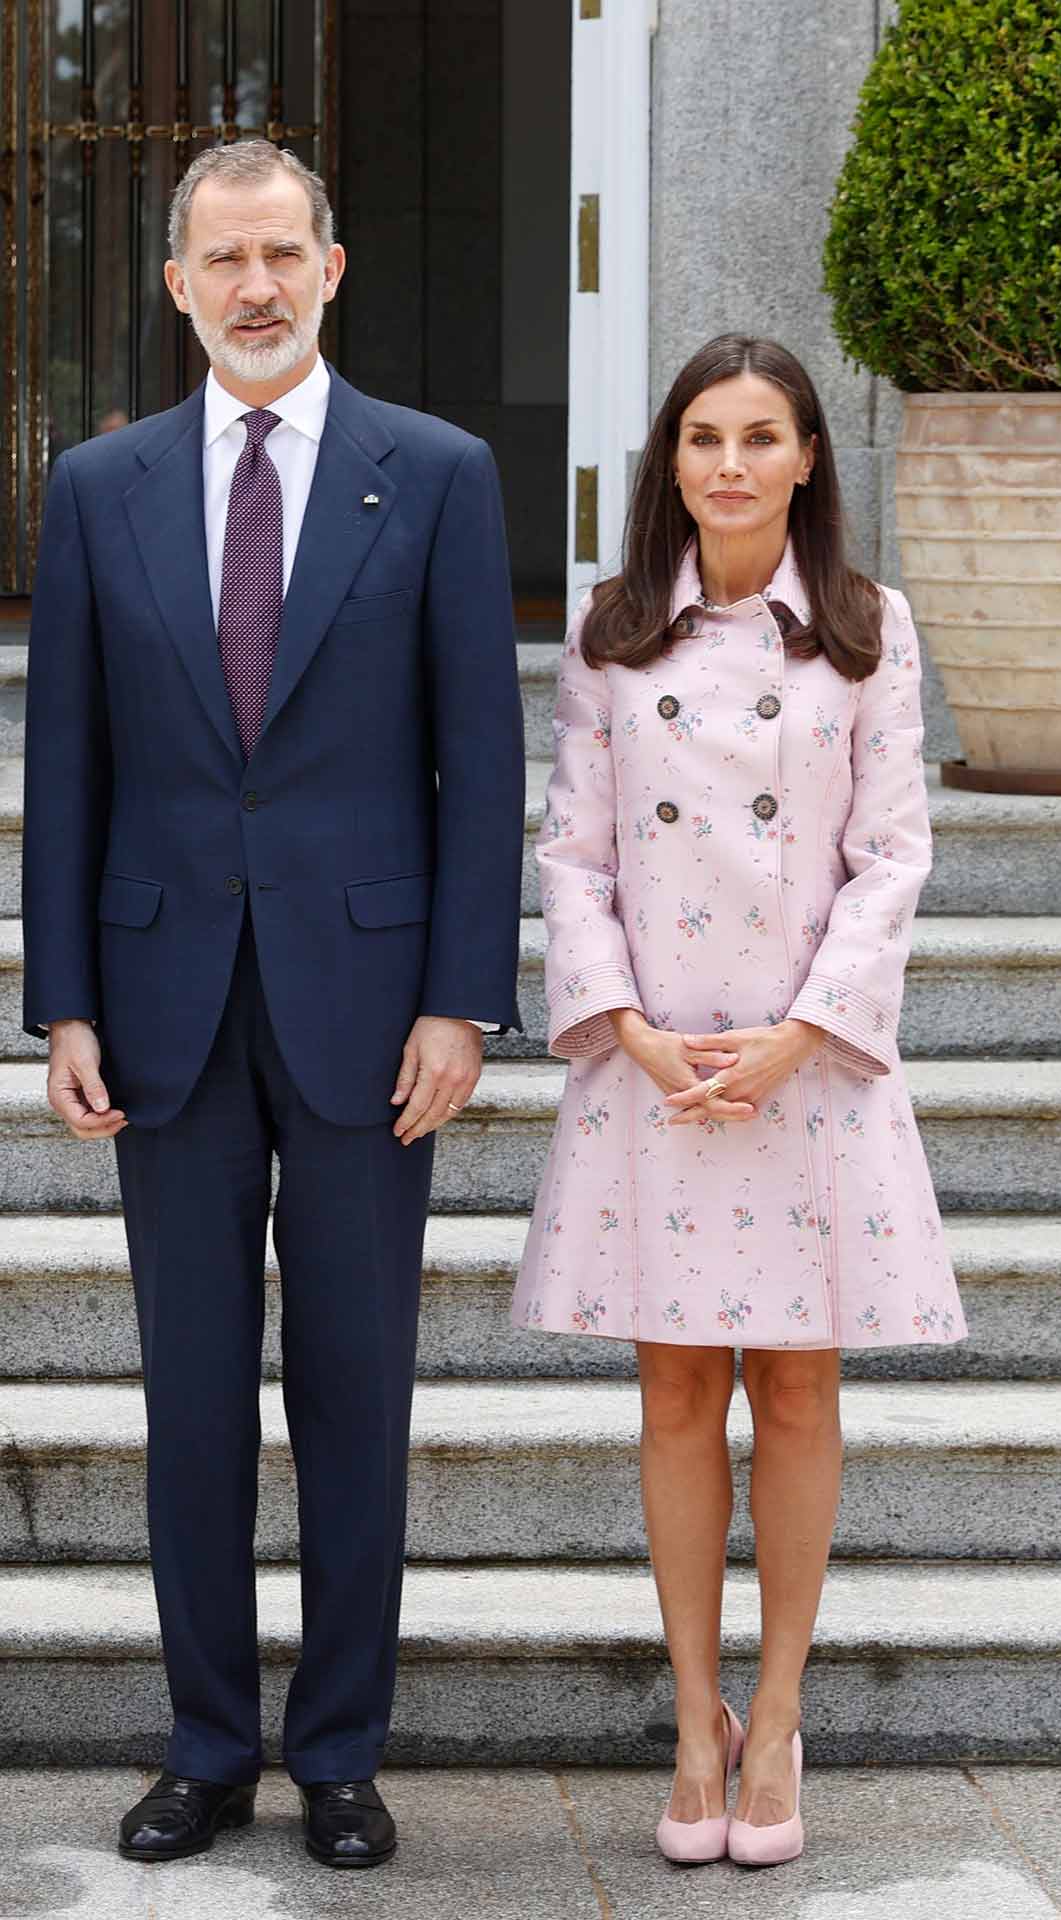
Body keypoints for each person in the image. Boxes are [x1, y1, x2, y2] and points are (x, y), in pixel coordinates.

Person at [22, 138, 524, 1869]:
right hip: (159, 1003)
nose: (252, 287)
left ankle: (342, 1753)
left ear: (332, 267)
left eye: (280, 255)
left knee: (356, 1388)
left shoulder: (436, 475)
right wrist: (62, 996)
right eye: (220, 260)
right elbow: (65, 761)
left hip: (372, 1007)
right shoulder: (101, 489)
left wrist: (466, 995)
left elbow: (481, 753)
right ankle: (205, 1744)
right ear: (176, 285)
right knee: (192, 1396)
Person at [512, 334, 966, 1869]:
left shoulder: (863, 628)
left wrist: (806, 1030)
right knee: (674, 1394)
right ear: (670, 462)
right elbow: (570, 848)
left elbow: (892, 853)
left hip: (802, 1070)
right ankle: (693, 1712)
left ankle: (777, 1714)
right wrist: (622, 1024)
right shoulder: (612, 634)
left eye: (758, 436)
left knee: (796, 1390)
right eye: (701, 436)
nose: (727, 464)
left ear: (805, 458)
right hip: (657, 1065)